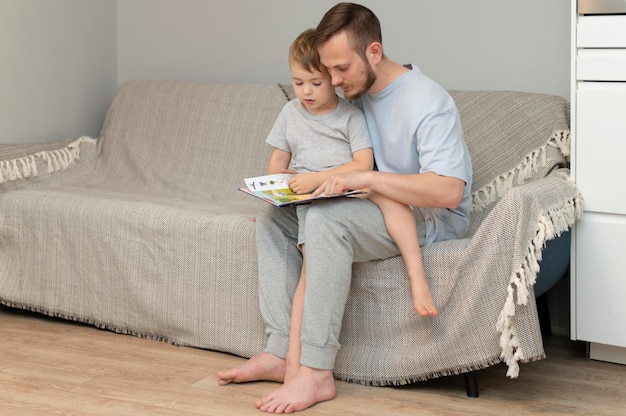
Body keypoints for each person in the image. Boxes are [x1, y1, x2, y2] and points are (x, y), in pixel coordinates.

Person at [218, 3, 472, 413]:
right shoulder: (351, 94)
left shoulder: (428, 100)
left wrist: (365, 179)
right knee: (274, 222)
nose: (333, 81)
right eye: (327, 72)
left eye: (340, 69)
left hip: (426, 217)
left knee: (324, 221)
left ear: (373, 52)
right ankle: (282, 350)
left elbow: (448, 193)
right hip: (364, 203)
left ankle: (316, 373)